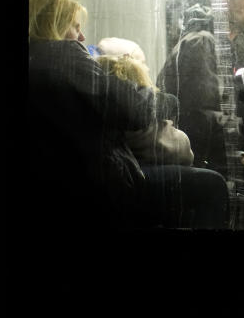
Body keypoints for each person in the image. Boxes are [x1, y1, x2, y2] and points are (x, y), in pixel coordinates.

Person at [27, 0, 162, 231]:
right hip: (92, 186)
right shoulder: (64, 56)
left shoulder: (36, 59)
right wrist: (145, 88)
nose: (81, 36)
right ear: (54, 26)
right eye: (74, 26)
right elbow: (136, 111)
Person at [97, 52, 230, 229]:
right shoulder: (142, 116)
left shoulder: (107, 109)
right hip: (133, 179)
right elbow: (184, 152)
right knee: (214, 183)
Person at [156, 0, 244, 173]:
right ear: (227, 1)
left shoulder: (240, 48)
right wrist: (241, 147)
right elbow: (200, 119)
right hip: (204, 161)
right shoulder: (200, 45)